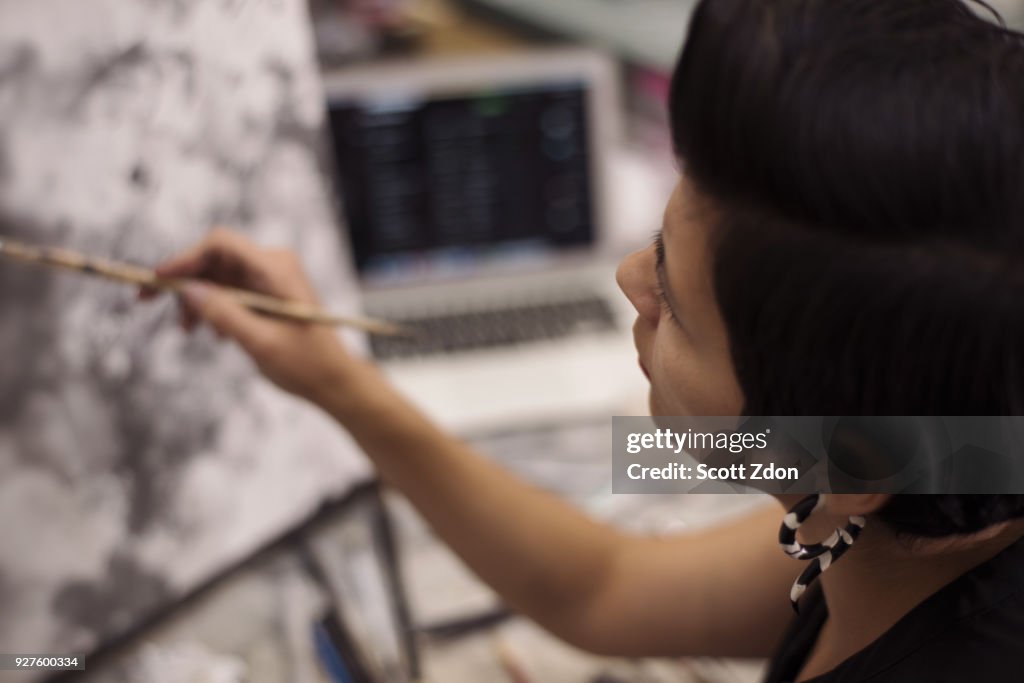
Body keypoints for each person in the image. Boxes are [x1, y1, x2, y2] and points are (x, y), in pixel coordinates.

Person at [142, 1, 1024, 680]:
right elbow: (608, 588)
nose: (628, 279)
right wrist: (340, 382)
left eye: (673, 301)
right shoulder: (951, 481)